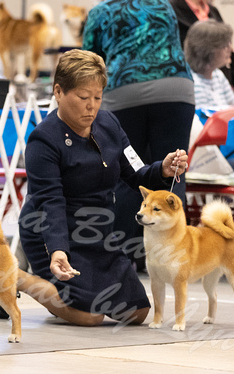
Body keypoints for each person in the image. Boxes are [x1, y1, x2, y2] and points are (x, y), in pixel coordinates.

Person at [17, 49, 188, 326]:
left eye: (97, 97)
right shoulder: (43, 141)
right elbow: (50, 203)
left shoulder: (109, 123)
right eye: (83, 97)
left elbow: (136, 173)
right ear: (58, 92)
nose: (92, 106)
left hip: (97, 232)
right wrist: (59, 250)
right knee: (90, 317)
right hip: (51, 232)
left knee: (136, 312)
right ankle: (18, 278)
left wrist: (162, 169)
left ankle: (62, 292)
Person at [82, 0, 194, 271]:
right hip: (175, 88)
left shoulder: (100, 12)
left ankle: (122, 259)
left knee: (128, 173)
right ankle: (175, 259)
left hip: (124, 91)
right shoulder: (163, 4)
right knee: (174, 170)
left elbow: (88, 62)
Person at [169, 0, 234, 92]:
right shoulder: (172, 9)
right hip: (192, 78)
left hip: (217, 79)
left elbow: (228, 49)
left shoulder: (212, 11)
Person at [184, 20, 234, 110]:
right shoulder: (191, 82)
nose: (230, 49)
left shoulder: (218, 75)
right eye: (225, 45)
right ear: (208, 51)